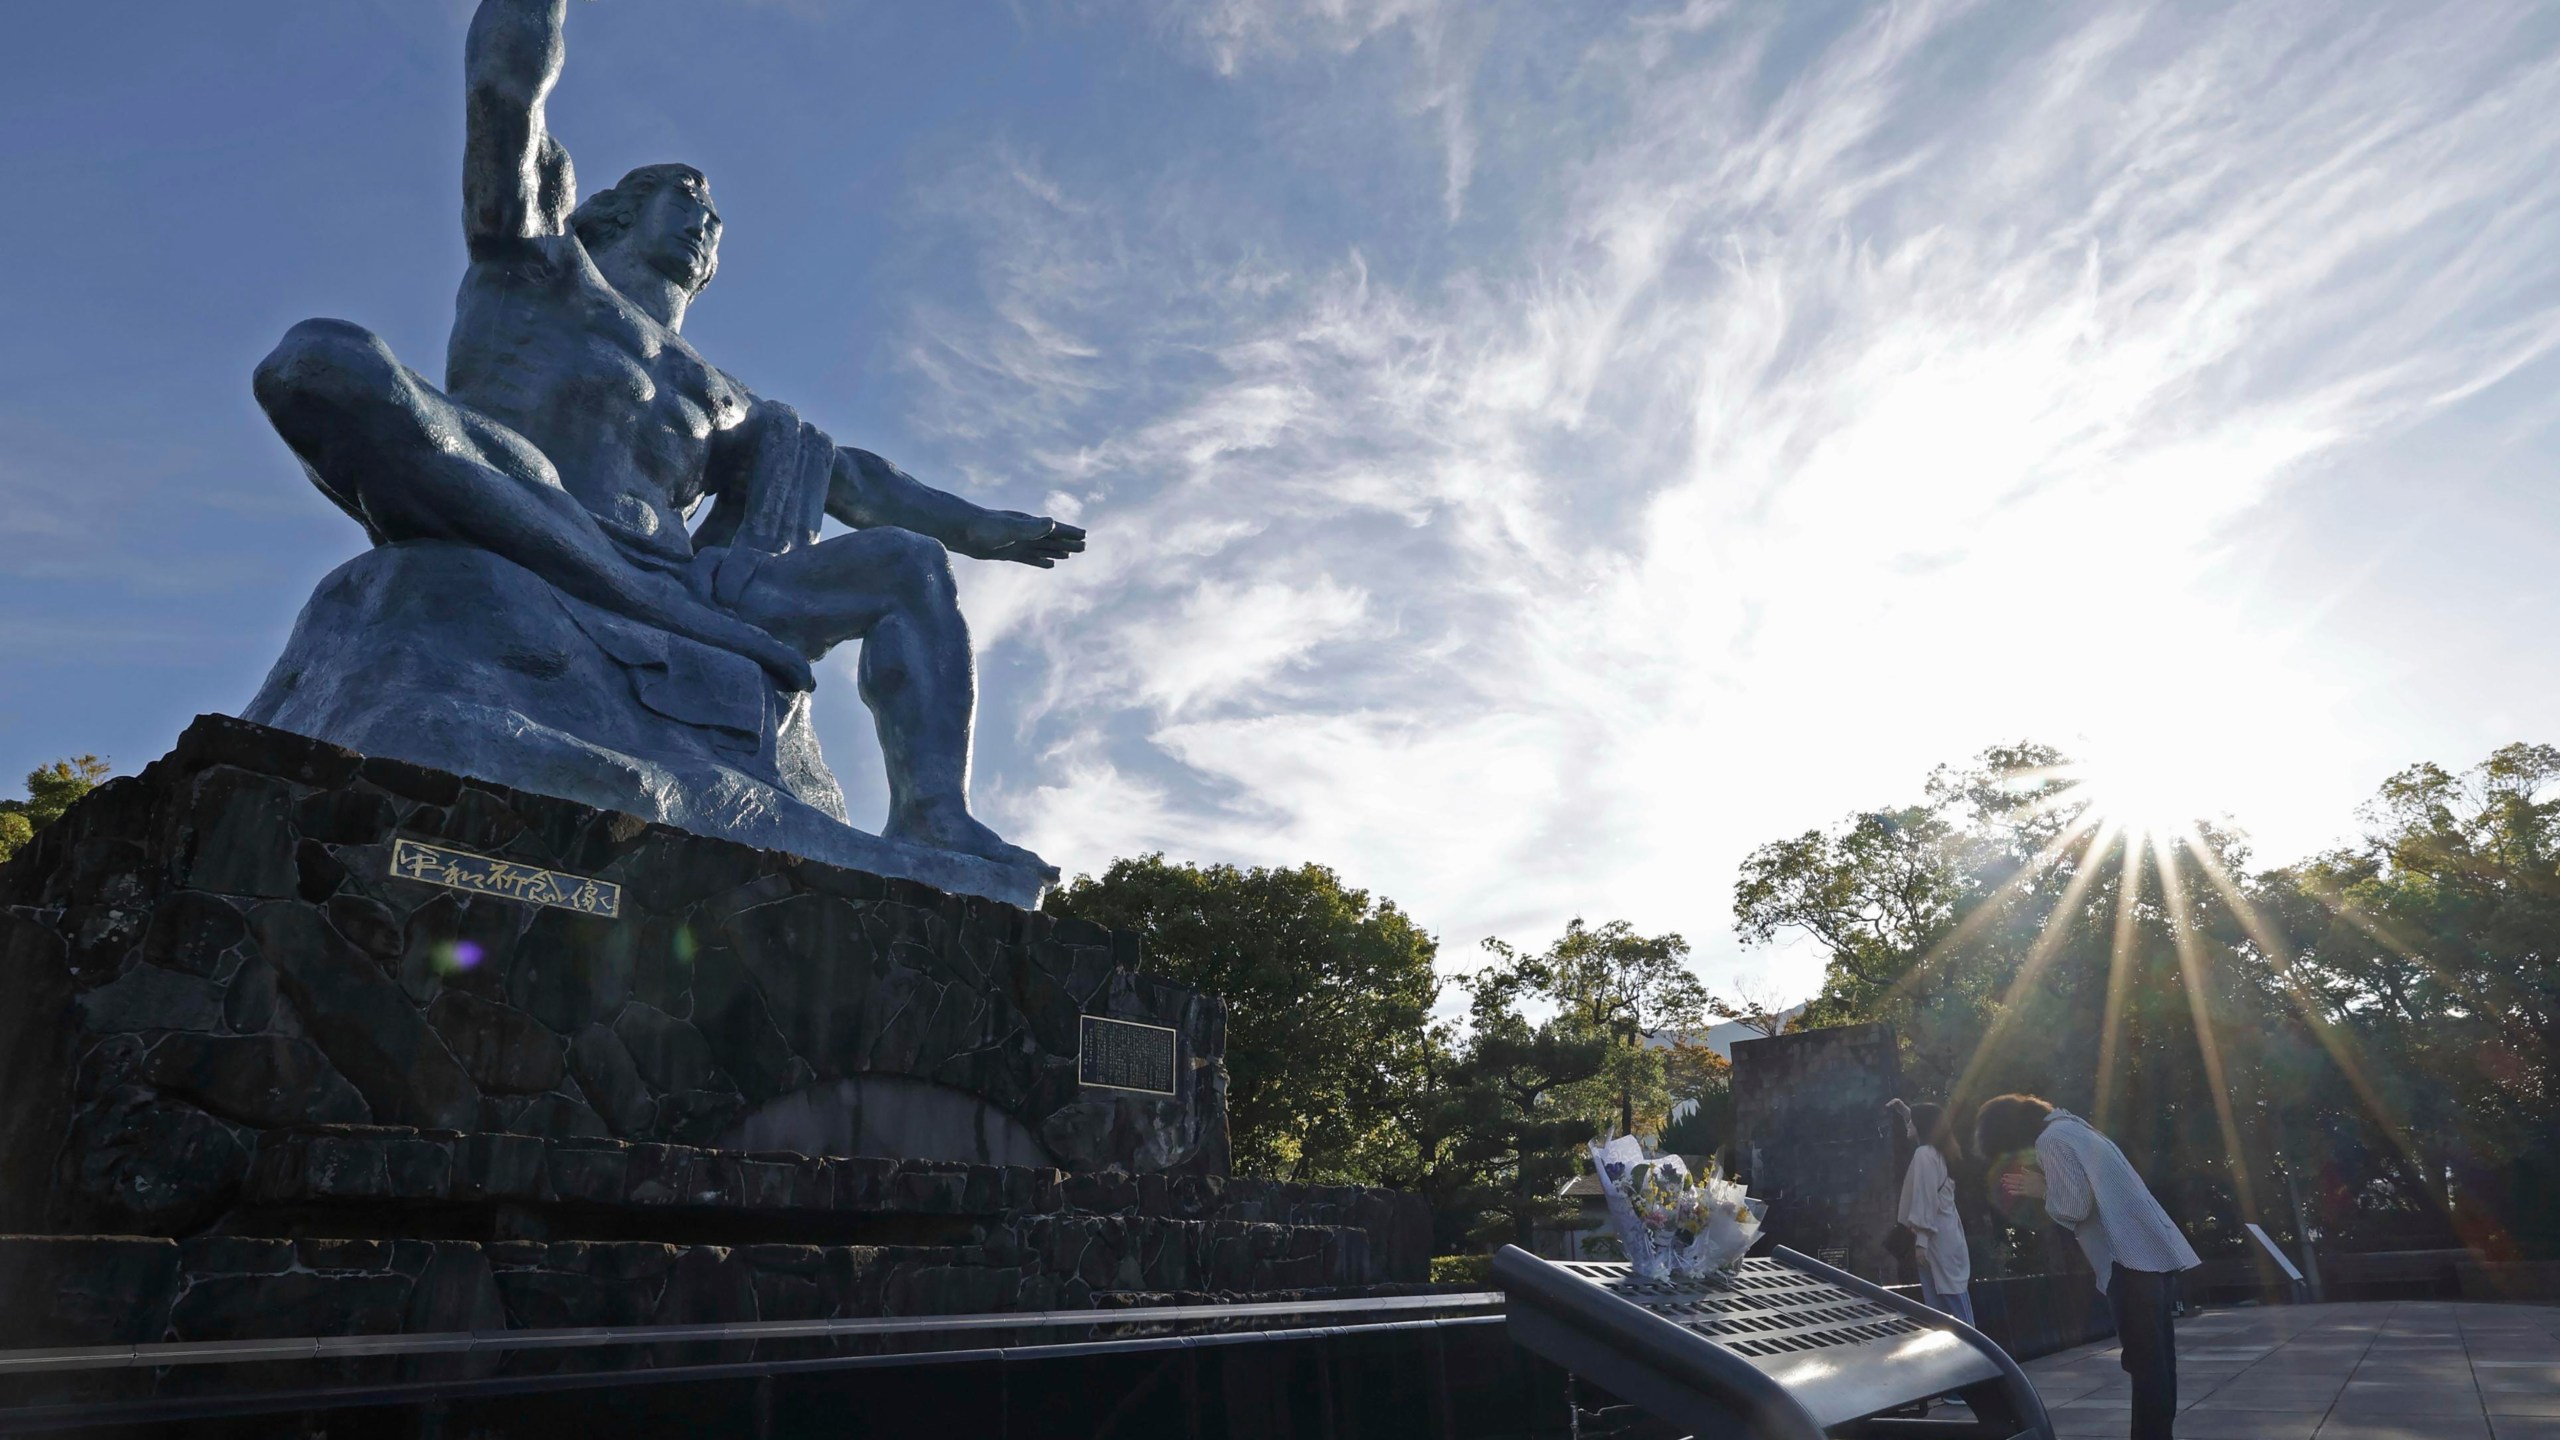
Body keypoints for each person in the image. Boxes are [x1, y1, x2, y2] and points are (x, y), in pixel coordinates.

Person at [251, 0, 1085, 873]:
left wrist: (983, 527)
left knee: (907, 562)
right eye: (686, 198)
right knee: (319, 361)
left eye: (716, 219)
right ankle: (593, 576)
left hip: (684, 584)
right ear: (615, 212)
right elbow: (504, 93)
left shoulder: (724, 398)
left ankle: (933, 819)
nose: (705, 220)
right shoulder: (538, 267)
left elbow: (862, 482)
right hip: (519, 492)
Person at [1975, 1095, 2200, 1440]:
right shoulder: (2077, 1129)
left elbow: (2075, 1207)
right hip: (2154, 1257)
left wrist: (2041, 1189)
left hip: (2129, 1261)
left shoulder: (2050, 1141)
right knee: (2158, 1366)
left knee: (2145, 1368)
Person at [1886, 1098, 1973, 1325]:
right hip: (1947, 1237)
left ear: (1921, 1125)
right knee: (1955, 1303)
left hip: (1935, 1242)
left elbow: (1925, 1200)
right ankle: (1974, 1356)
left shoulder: (1924, 1155)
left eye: (1911, 1122)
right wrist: (1908, 1113)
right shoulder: (1937, 1152)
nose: (1907, 1125)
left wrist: (1921, 1243)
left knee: (1946, 1310)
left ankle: (1972, 1356)